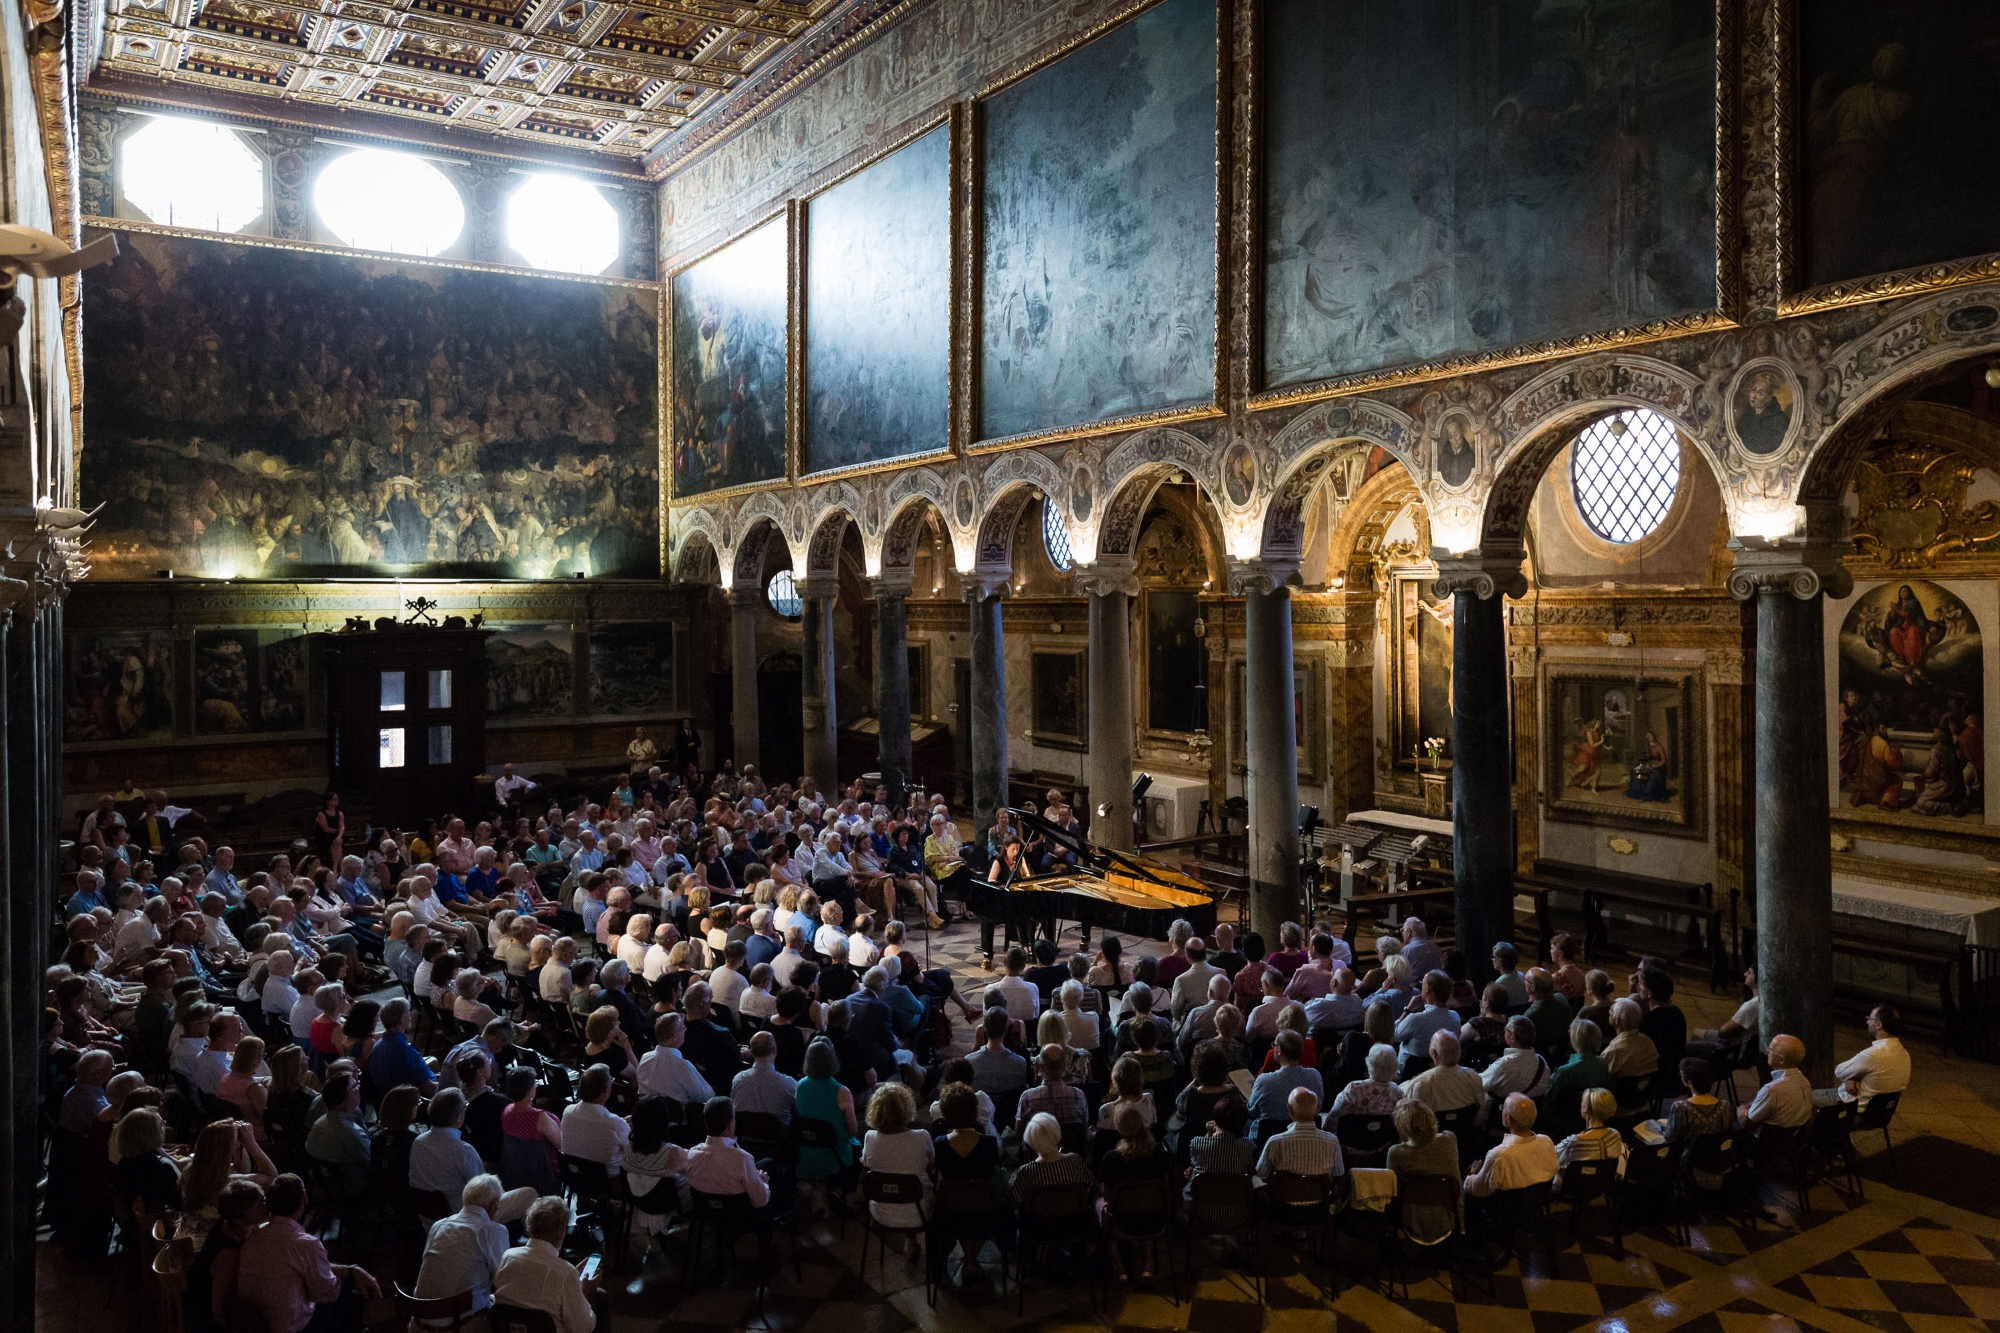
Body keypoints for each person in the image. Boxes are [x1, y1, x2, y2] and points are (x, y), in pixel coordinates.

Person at [236, 1173, 380, 1333]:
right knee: (352, 1294)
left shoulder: (253, 1236)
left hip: (253, 1324)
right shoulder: (306, 1244)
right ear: (304, 1197)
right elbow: (327, 1293)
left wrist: (350, 1270)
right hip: (291, 1328)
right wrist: (350, 1275)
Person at [494, 1197, 601, 1333]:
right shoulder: (564, 1272)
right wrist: (584, 1292)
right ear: (561, 1231)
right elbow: (582, 1328)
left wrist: (571, 1275)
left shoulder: (508, 1256)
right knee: (599, 1301)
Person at [411, 1175, 511, 1320]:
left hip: (420, 1320)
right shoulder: (493, 1231)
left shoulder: (438, 1225)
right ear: (494, 1204)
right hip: (460, 1324)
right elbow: (503, 1279)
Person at [1386, 1100, 1461, 1246]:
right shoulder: (1449, 1139)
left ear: (1402, 1128)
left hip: (1409, 1219)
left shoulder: (1396, 1153)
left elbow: (1393, 1190)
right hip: (1446, 1218)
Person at [860, 1081, 933, 1230]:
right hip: (918, 1211)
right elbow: (931, 1164)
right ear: (907, 1108)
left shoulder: (869, 1136)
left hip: (881, 1212)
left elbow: (866, 1165)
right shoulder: (921, 1136)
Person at [1463, 1094, 1558, 1201]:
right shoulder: (1547, 1142)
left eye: (1502, 1108)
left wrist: (1473, 1174)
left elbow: (1478, 1189)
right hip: (1537, 1204)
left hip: (1504, 1212)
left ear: (1508, 1119)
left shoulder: (1498, 1155)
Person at [1822, 1004, 1910, 1109]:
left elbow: (1839, 1071)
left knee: (1808, 1098)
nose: (1867, 1022)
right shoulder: (1905, 1054)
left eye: (1870, 1019)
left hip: (1852, 1110)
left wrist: (1851, 1075)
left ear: (1878, 1025)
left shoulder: (1873, 1054)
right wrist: (1854, 1076)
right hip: (1880, 1114)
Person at [1255, 1087, 1343, 1184]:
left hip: (1282, 1198)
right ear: (1317, 1109)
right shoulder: (1332, 1141)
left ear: (1290, 1110)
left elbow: (1262, 1175)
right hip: (1321, 1198)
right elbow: (1338, 1174)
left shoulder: (1275, 1142)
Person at [560, 1066, 630, 1174]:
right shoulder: (615, 1123)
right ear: (606, 1092)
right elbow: (631, 1152)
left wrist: (622, 1123)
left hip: (575, 1176)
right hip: (609, 1184)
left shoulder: (568, 1111)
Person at [1398, 1031, 1483, 1118]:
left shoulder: (1420, 1084)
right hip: (1466, 1130)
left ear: (1433, 1053)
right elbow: (1479, 1114)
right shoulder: (1474, 1078)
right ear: (1459, 1052)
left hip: (1431, 1131)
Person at [1247, 1030, 1322, 1127]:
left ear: (1279, 1050)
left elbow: (1252, 1110)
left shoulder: (1264, 1081)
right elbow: (1318, 1106)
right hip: (1306, 1130)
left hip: (1268, 1135)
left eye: (1274, 1045)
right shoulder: (1315, 1076)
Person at [1740, 1034, 1814, 1131]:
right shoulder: (1804, 1081)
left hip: (1767, 1142)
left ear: (1781, 1060)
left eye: (1770, 1050)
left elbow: (1747, 1122)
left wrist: (1741, 1109)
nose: (1767, 1052)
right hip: (1793, 1139)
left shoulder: (1773, 1089)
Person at [1553, 1089, 1628, 1177]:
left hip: (1574, 1188)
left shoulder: (1573, 1142)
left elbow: (1552, 1159)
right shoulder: (1615, 1135)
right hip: (1604, 1186)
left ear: (1586, 1108)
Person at [1545, 1021, 1613, 1106]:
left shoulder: (1565, 1071)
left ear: (1575, 1039)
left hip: (1567, 1114)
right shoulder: (1603, 1063)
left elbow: (1549, 1098)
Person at [1330, 1043, 1403, 1119]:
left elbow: (1333, 1118)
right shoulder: (1397, 1092)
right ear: (1394, 1067)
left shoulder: (1353, 1088)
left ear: (1369, 1064)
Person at [1602, 999, 1659, 1080]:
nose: (1609, 1013)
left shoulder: (1613, 1051)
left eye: (1611, 1013)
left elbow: (1603, 1077)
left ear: (1617, 1020)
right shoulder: (1648, 1042)